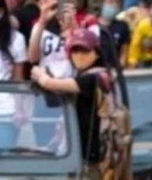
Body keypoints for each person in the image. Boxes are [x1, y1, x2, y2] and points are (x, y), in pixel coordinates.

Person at [30, 28, 110, 167]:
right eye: (75, 51)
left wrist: (40, 73)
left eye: (85, 51)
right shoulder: (86, 76)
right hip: (82, 148)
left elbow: (49, 84)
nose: (79, 55)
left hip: (92, 151)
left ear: (96, 53)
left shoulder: (94, 77)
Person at [99, 0, 132, 66]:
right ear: (103, 2)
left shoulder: (123, 26)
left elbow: (124, 50)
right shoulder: (92, 24)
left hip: (115, 70)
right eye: (110, 1)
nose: (113, 4)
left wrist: (122, 65)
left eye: (116, 2)